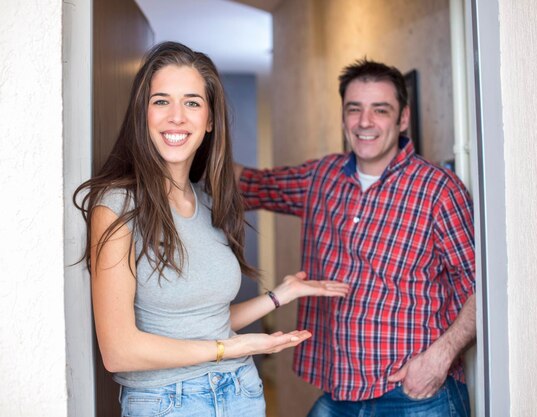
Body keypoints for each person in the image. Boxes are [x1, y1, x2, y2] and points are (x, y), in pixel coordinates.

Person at [73, 41, 349, 417]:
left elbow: (206, 321)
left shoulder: (208, 201)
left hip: (241, 392)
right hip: (167, 402)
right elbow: (119, 351)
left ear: (210, 120)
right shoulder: (118, 206)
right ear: (143, 114)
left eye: (191, 102)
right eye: (161, 101)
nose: (176, 116)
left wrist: (279, 295)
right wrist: (230, 348)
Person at [235, 58, 475, 416]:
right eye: (354, 109)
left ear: (403, 118)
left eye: (380, 110)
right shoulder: (321, 177)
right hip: (339, 393)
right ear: (344, 116)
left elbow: (480, 286)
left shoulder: (438, 189)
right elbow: (246, 184)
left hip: (419, 394)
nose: (365, 122)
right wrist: (189, 140)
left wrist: (439, 358)